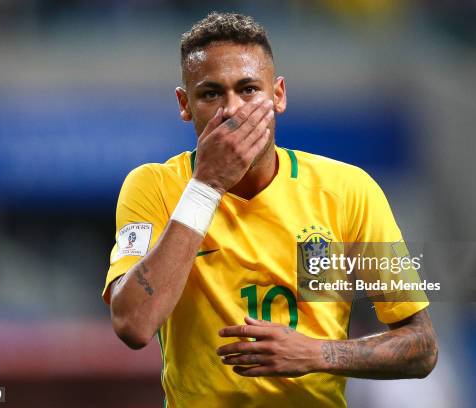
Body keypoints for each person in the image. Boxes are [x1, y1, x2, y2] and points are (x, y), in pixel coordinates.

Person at [102, 12, 438, 407]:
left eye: (248, 89)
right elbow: (133, 324)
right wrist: (207, 186)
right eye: (211, 94)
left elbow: (421, 346)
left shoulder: (347, 191)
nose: (232, 110)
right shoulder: (154, 187)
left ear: (278, 95)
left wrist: (317, 354)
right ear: (185, 104)